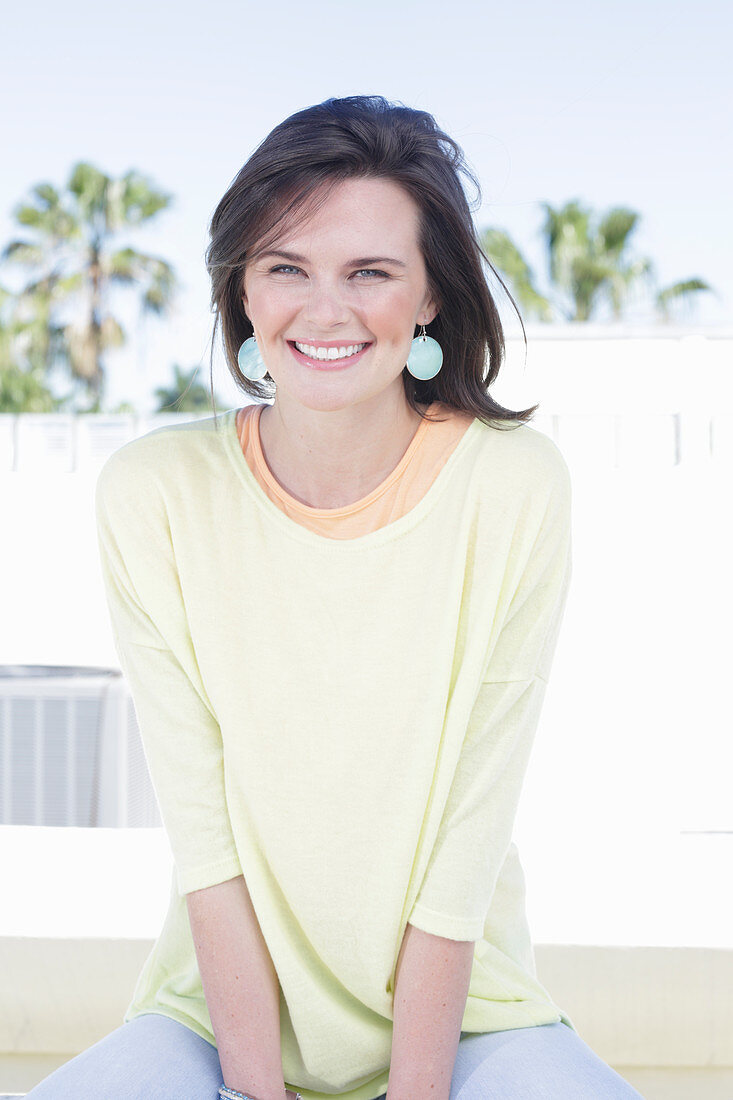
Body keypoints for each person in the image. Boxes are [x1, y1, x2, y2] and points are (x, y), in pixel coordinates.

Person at [26, 95, 644, 1100]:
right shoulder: (154, 494)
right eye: (285, 267)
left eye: (369, 271)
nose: (324, 309)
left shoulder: (514, 485)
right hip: (211, 1013)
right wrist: (256, 1088)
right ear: (243, 291)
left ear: (431, 294)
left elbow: (464, 845)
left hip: (470, 1014)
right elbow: (206, 841)